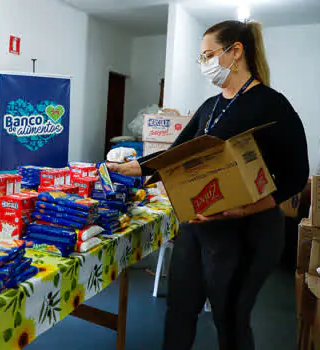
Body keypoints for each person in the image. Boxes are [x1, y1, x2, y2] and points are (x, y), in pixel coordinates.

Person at [109, 20, 309, 350]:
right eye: (200, 58)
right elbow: (175, 153)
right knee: (179, 311)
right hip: (199, 226)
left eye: (208, 55)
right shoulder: (211, 107)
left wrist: (243, 208)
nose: (204, 65)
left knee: (229, 318)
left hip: (250, 231)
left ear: (235, 52)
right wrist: (127, 167)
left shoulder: (272, 104)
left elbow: (295, 176)